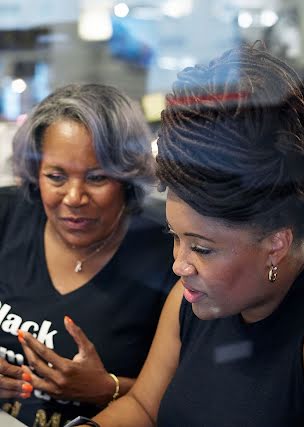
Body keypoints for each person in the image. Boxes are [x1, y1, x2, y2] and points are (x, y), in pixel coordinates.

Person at [67, 45, 304, 427]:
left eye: (202, 248)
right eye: (175, 237)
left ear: (275, 245)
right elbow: (144, 408)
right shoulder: (189, 300)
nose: (179, 265)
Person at [0, 84, 177, 427]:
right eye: (56, 176)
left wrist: (107, 388)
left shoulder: (170, 254)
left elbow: (193, 395)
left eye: (97, 178)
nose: (74, 197)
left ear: (127, 177)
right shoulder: (8, 214)